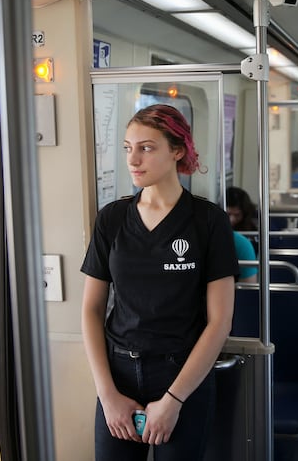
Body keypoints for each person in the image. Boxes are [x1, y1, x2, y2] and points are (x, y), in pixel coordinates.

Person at [80, 104, 238, 461]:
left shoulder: (207, 220)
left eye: (146, 148)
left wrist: (174, 400)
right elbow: (91, 310)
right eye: (127, 147)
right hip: (117, 373)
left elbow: (219, 322)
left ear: (177, 151)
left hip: (182, 373)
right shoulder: (112, 218)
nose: (133, 159)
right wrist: (108, 395)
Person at [226, 187, 258, 283]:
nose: (231, 219)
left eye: (236, 215)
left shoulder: (256, 224)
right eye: (228, 214)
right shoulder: (217, 226)